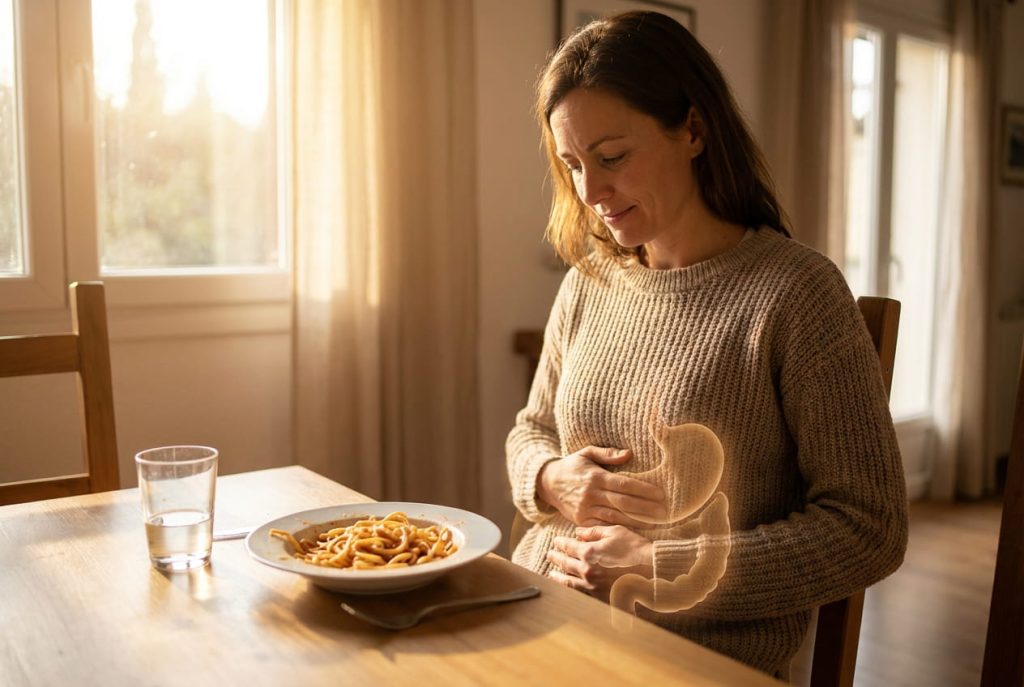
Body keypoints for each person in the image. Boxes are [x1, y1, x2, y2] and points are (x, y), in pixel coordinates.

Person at [505, 10, 908, 678]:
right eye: (573, 165)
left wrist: (655, 565)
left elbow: (869, 528)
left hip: (687, 661)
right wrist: (551, 479)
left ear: (693, 130)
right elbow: (531, 430)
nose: (591, 191)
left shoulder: (796, 294)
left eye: (612, 157)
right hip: (541, 620)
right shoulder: (588, 282)